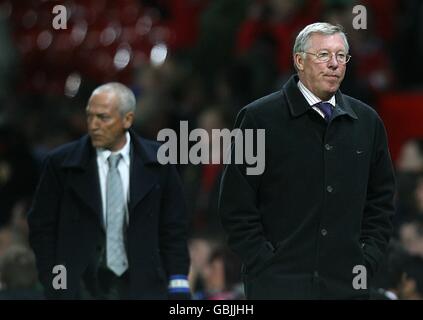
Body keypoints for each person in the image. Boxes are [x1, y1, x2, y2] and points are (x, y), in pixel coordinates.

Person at [219, 22, 396, 299]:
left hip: (346, 286)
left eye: (341, 56)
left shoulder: (368, 122)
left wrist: (366, 259)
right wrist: (264, 261)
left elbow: (381, 203)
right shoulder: (259, 118)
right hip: (277, 285)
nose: (334, 64)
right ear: (299, 61)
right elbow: (235, 204)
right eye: (324, 55)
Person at [28, 83, 191, 299]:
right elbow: (42, 228)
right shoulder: (60, 164)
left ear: (127, 119)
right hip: (80, 288)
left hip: (145, 287)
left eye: (103, 117)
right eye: (90, 116)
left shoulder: (159, 161)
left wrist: (178, 283)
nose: (93, 125)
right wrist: (56, 283)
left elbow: (174, 227)